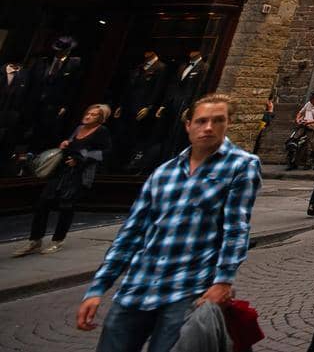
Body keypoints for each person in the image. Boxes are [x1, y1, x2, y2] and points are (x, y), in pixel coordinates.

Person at [76, 94, 261, 352]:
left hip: (188, 290)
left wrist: (223, 281)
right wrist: (97, 288)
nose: (208, 127)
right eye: (202, 121)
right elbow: (131, 232)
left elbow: (236, 228)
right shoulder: (164, 172)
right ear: (188, 125)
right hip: (137, 287)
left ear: (228, 123)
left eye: (217, 121)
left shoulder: (242, 165)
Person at [13, 103, 110, 257]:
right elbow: (71, 145)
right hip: (61, 171)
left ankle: (58, 240)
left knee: (66, 207)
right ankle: (35, 240)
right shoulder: (79, 129)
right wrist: (65, 144)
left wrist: (80, 159)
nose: (88, 116)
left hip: (78, 175)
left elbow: (103, 153)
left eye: (93, 115)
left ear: (101, 119)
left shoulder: (102, 131)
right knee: (42, 204)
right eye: (88, 113)